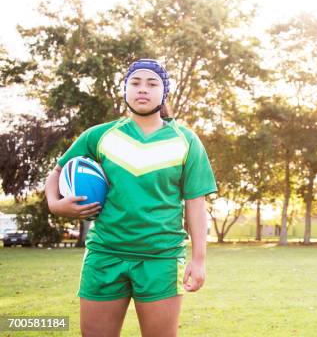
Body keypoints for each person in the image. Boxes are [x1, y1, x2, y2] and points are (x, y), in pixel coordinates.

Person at [44, 58, 217, 337]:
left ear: (164, 92)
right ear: (124, 89)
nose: (143, 89)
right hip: (105, 255)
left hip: (161, 258)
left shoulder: (186, 141)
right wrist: (55, 203)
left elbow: (196, 204)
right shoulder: (99, 136)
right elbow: (57, 171)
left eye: (152, 84)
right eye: (135, 83)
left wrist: (198, 260)